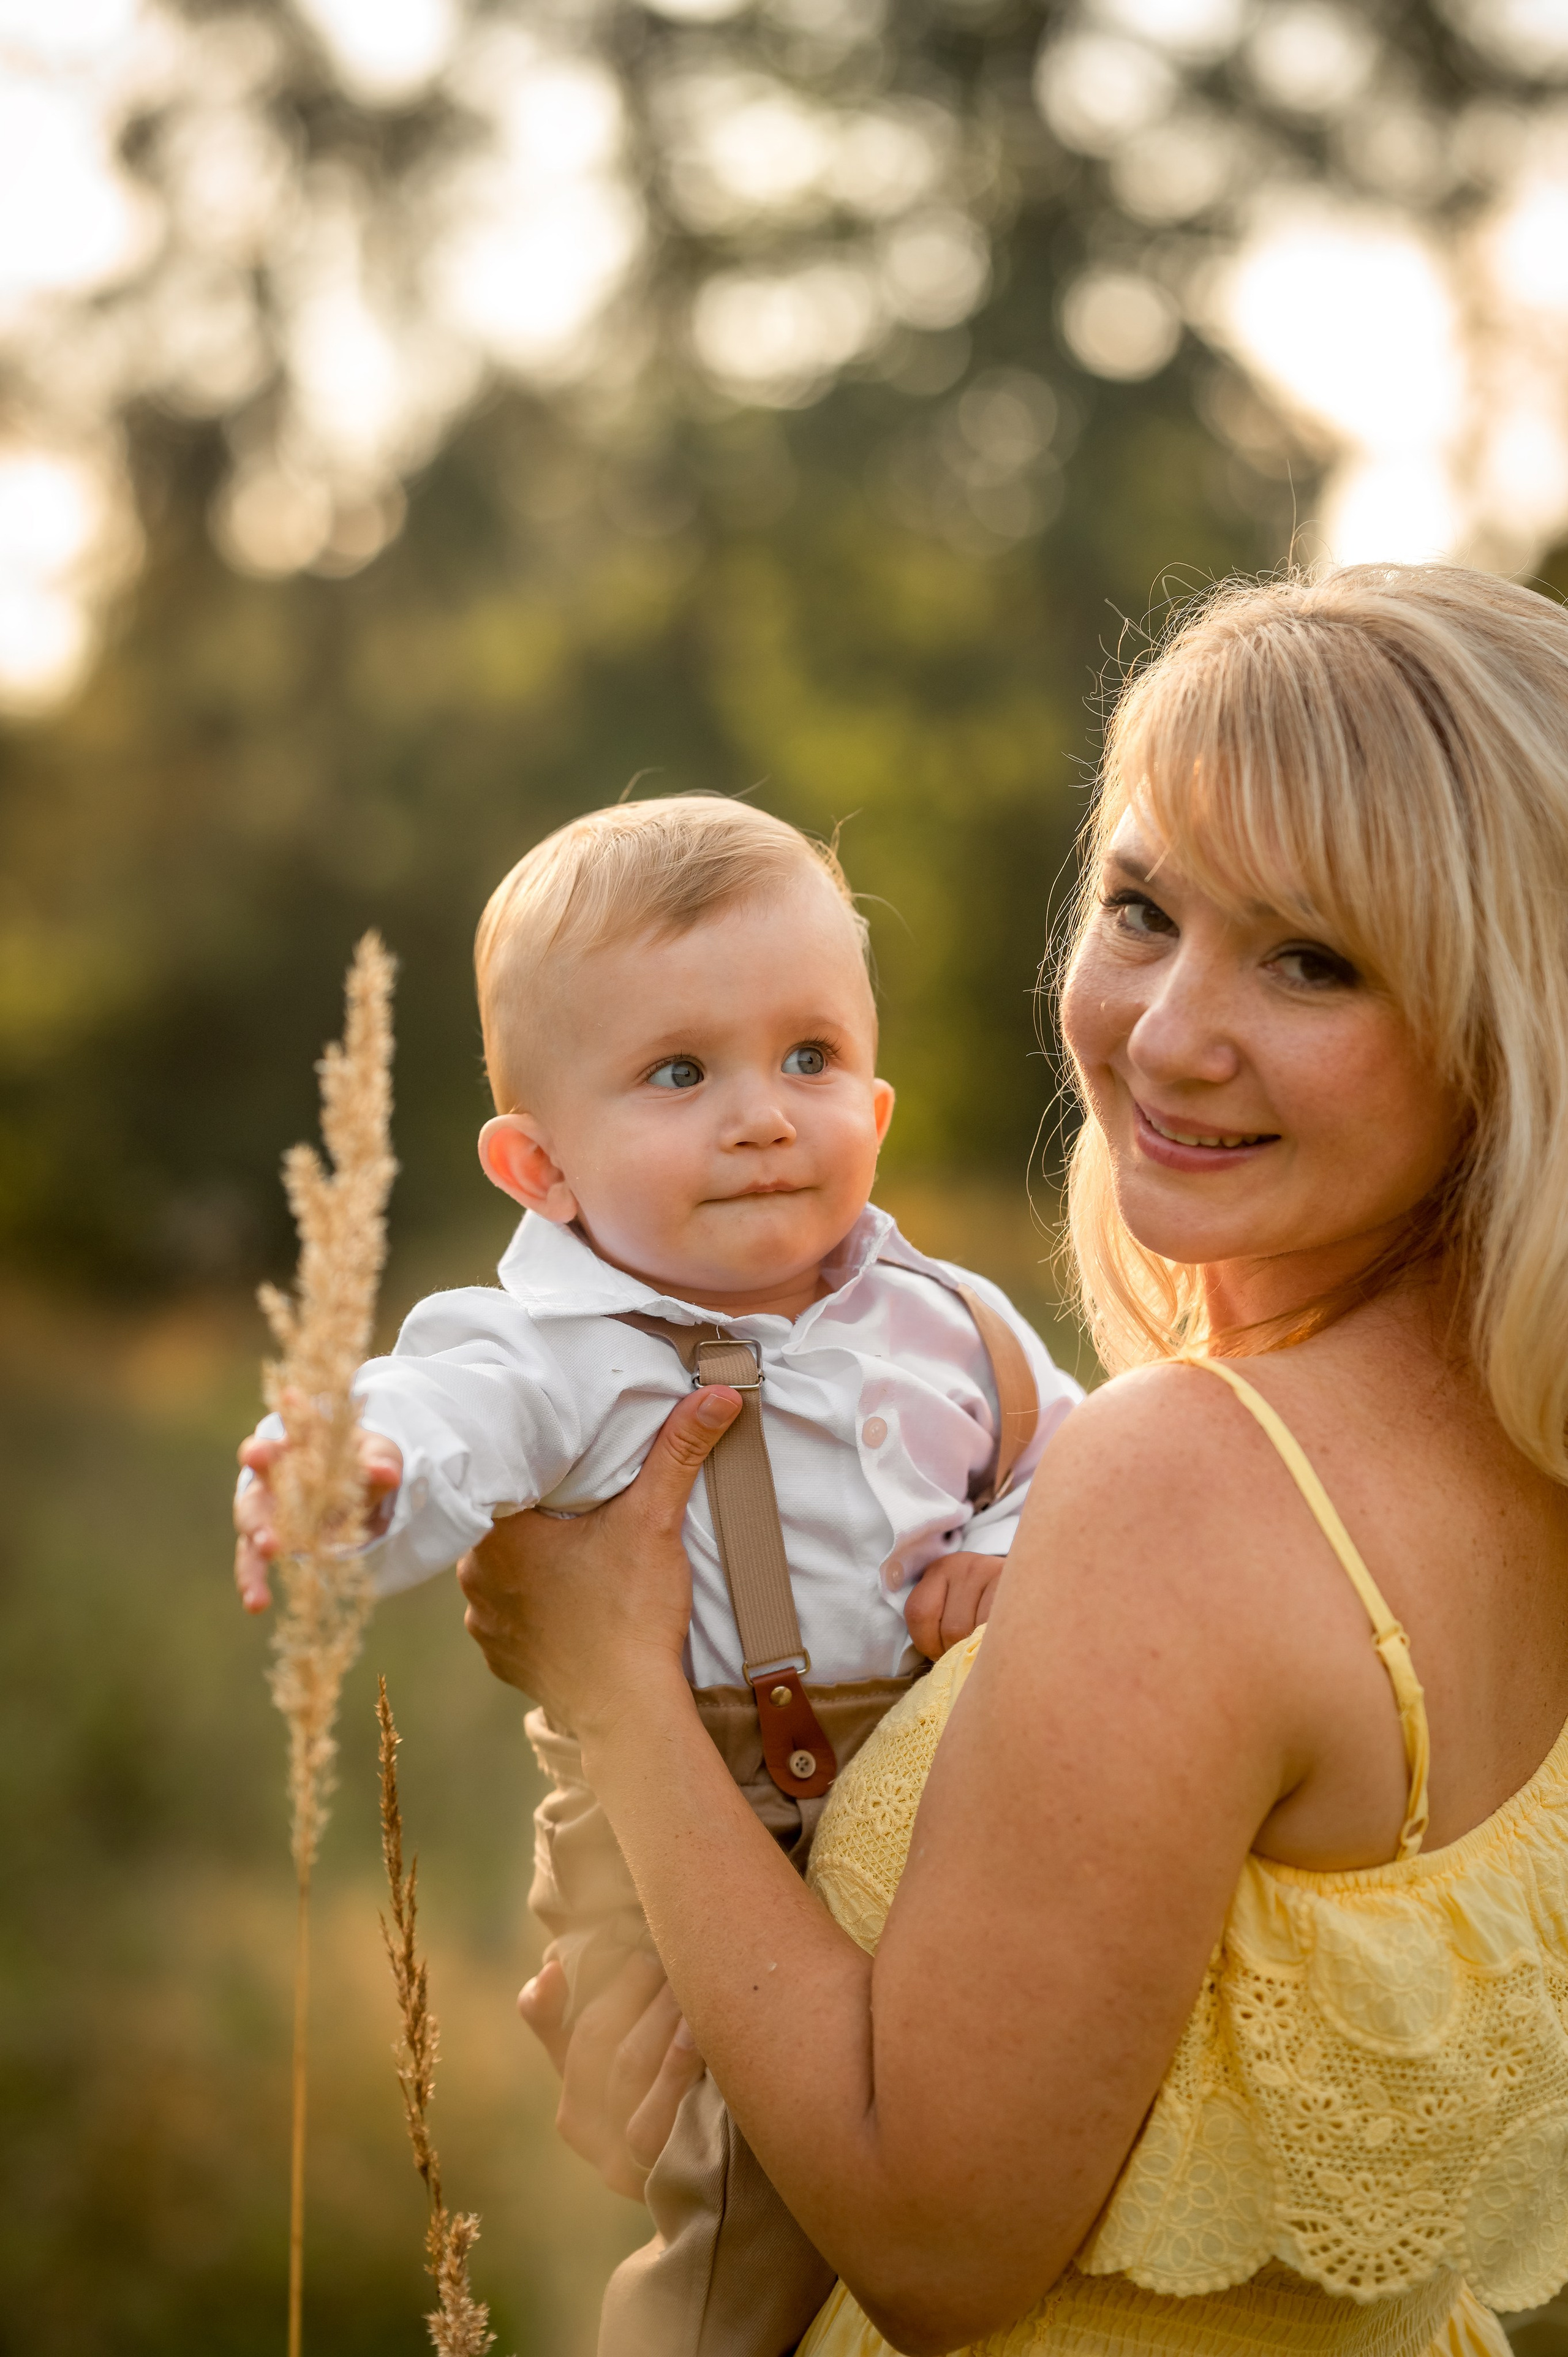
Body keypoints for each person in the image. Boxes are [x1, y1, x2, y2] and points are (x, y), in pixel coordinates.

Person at [458, 565, 1568, 2357]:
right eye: (1143, 909)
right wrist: (709, 2035)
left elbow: (938, 2245)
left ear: (1503, 1017)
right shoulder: (1528, 1448)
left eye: (1312, 959)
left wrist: (611, 1690)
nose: (1167, 1030)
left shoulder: (1191, 1480)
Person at [232, 793, 1080, 2356]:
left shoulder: (946, 1317)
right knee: (749, 2209)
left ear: (876, 1111)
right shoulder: (557, 1345)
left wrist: (1004, 1547)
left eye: (808, 1059)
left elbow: (1071, 1468)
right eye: (680, 1073)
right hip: (695, 1805)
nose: (762, 1114)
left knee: (989, 2120)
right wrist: (356, 1472)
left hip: (923, 1780)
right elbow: (449, 1426)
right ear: (539, 1165)